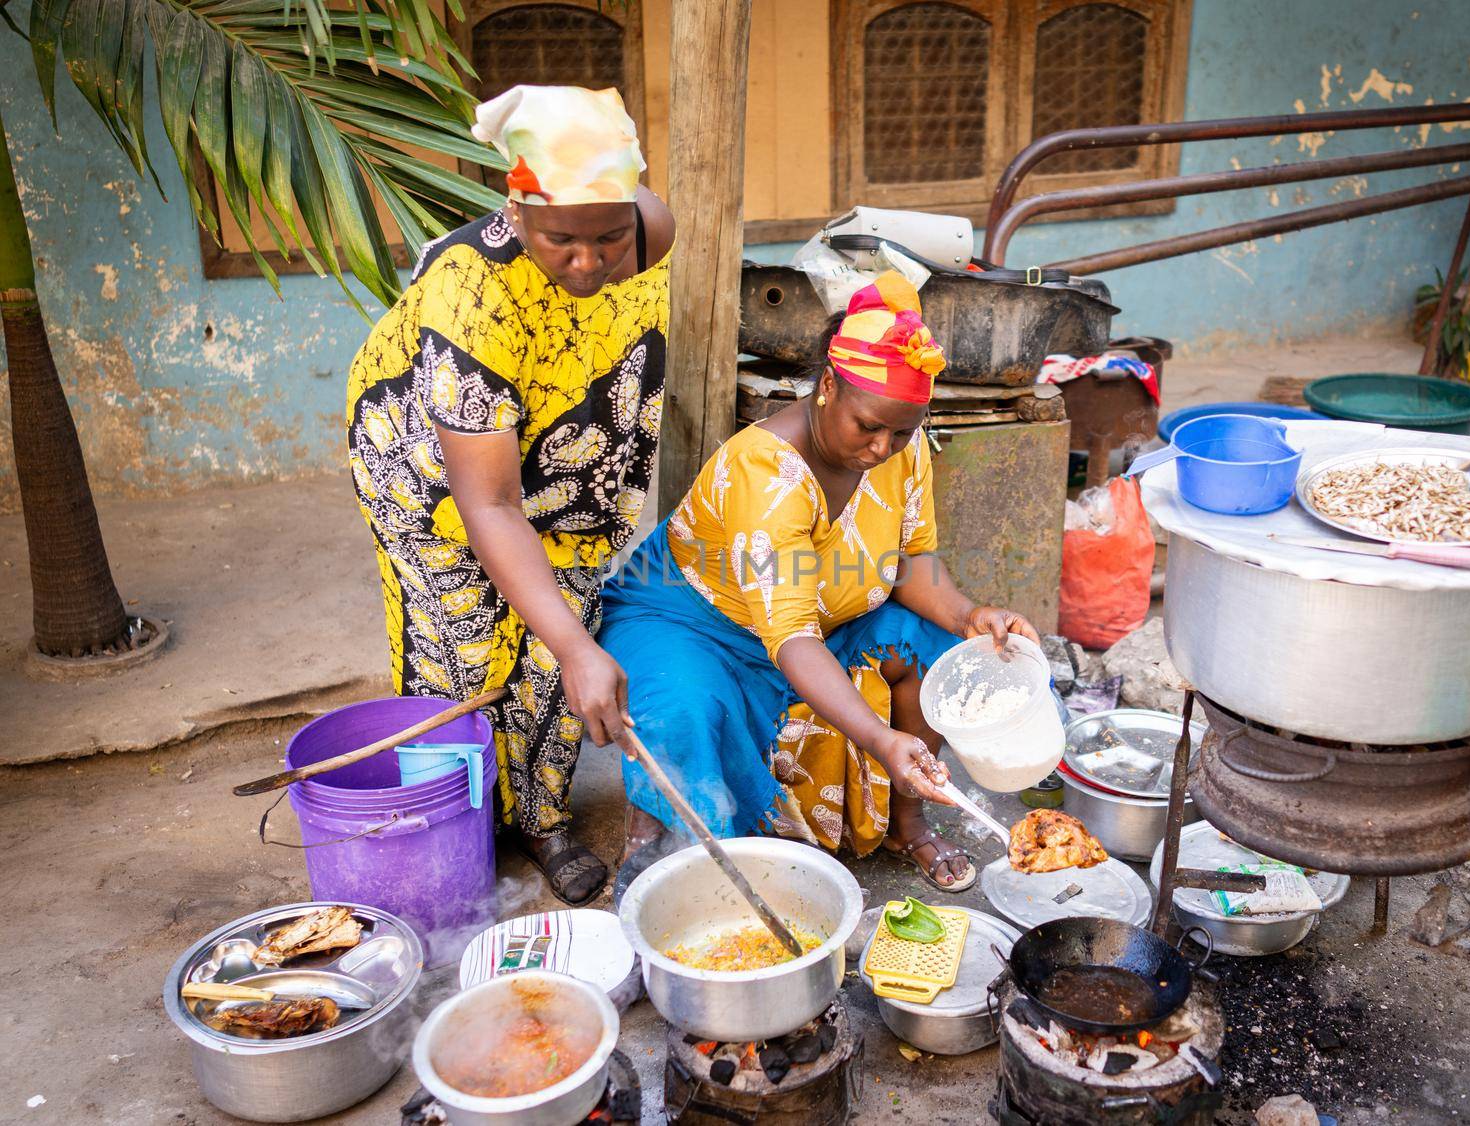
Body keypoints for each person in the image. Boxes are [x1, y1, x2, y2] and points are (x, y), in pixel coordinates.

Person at [601, 271, 1040, 892]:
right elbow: (792, 637)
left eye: (902, 432)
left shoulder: (901, 448)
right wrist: (880, 737)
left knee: (939, 648)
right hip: (692, 620)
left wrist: (971, 617)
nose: (883, 447)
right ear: (828, 387)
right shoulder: (767, 472)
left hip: (812, 615)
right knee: (685, 715)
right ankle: (657, 837)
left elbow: (912, 565)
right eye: (869, 427)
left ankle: (905, 823)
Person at [345, 85, 672, 904]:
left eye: (608, 236)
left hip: (569, 458)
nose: (590, 262)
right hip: (435, 476)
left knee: (565, 647)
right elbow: (486, 505)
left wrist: (572, 648)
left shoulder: (651, 227)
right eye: (562, 238)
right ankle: (463, 824)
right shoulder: (472, 296)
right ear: (517, 209)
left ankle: (543, 815)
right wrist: (573, 645)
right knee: (463, 649)